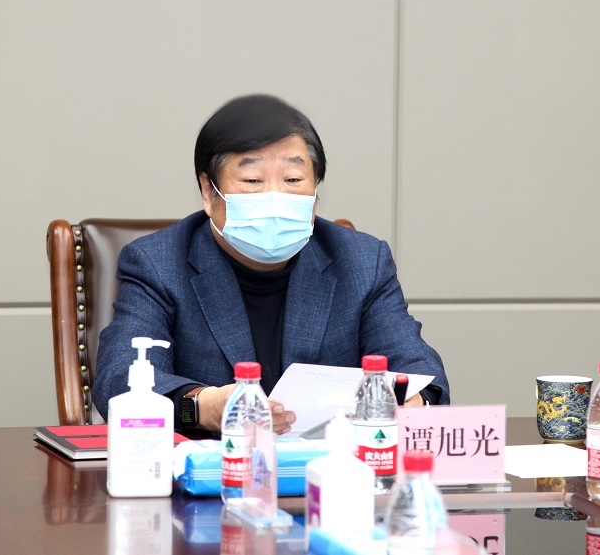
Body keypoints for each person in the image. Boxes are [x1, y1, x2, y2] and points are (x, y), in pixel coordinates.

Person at [93, 94, 450, 435]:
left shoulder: (362, 261)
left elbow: (420, 370)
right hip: (211, 467)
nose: (275, 197)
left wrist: (415, 403)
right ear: (208, 190)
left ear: (315, 190)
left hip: (329, 467)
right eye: (252, 181)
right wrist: (202, 407)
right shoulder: (157, 263)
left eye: (293, 180)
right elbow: (118, 381)